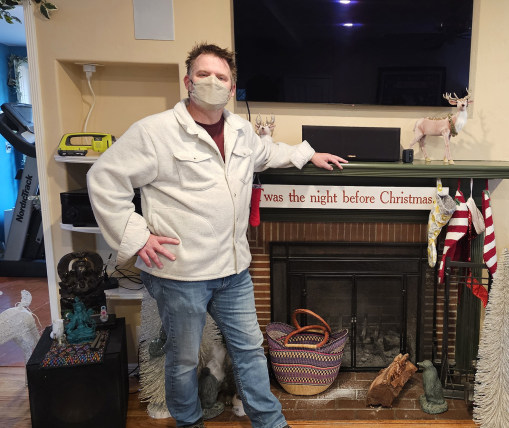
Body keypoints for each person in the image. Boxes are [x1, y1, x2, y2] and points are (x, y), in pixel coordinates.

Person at [87, 43, 346, 428]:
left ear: (231, 87)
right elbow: (104, 178)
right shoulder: (155, 132)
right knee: (184, 359)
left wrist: (307, 154)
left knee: (251, 351)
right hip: (181, 274)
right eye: (204, 74)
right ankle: (189, 423)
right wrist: (137, 237)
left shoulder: (241, 130)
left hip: (233, 270)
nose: (212, 82)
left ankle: (270, 423)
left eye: (221, 77)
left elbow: (266, 151)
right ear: (188, 81)